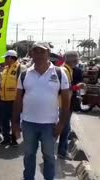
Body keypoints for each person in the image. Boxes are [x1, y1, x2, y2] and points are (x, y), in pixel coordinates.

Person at [12, 41, 71, 180]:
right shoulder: (24, 74)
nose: (38, 54)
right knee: (29, 156)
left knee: (50, 157)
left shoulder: (60, 73)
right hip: (28, 123)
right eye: (35, 51)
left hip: (50, 125)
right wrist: (14, 123)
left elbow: (66, 101)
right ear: (31, 53)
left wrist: (62, 124)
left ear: (48, 54)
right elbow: (18, 100)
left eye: (42, 51)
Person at [58, 51, 85, 160]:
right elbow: (65, 89)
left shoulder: (66, 70)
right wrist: (77, 87)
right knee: (65, 128)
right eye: (77, 59)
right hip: (63, 104)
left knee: (64, 127)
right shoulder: (64, 71)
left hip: (64, 103)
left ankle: (58, 151)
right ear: (74, 61)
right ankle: (61, 152)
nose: (78, 61)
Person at [0, 50, 26, 146]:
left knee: (14, 120)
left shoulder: (20, 68)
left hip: (14, 100)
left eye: (6, 58)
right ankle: (6, 138)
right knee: (4, 120)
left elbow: (24, 85)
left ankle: (14, 139)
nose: (5, 60)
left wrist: (21, 100)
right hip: (3, 99)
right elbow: (2, 83)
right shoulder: (5, 69)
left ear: (10, 58)